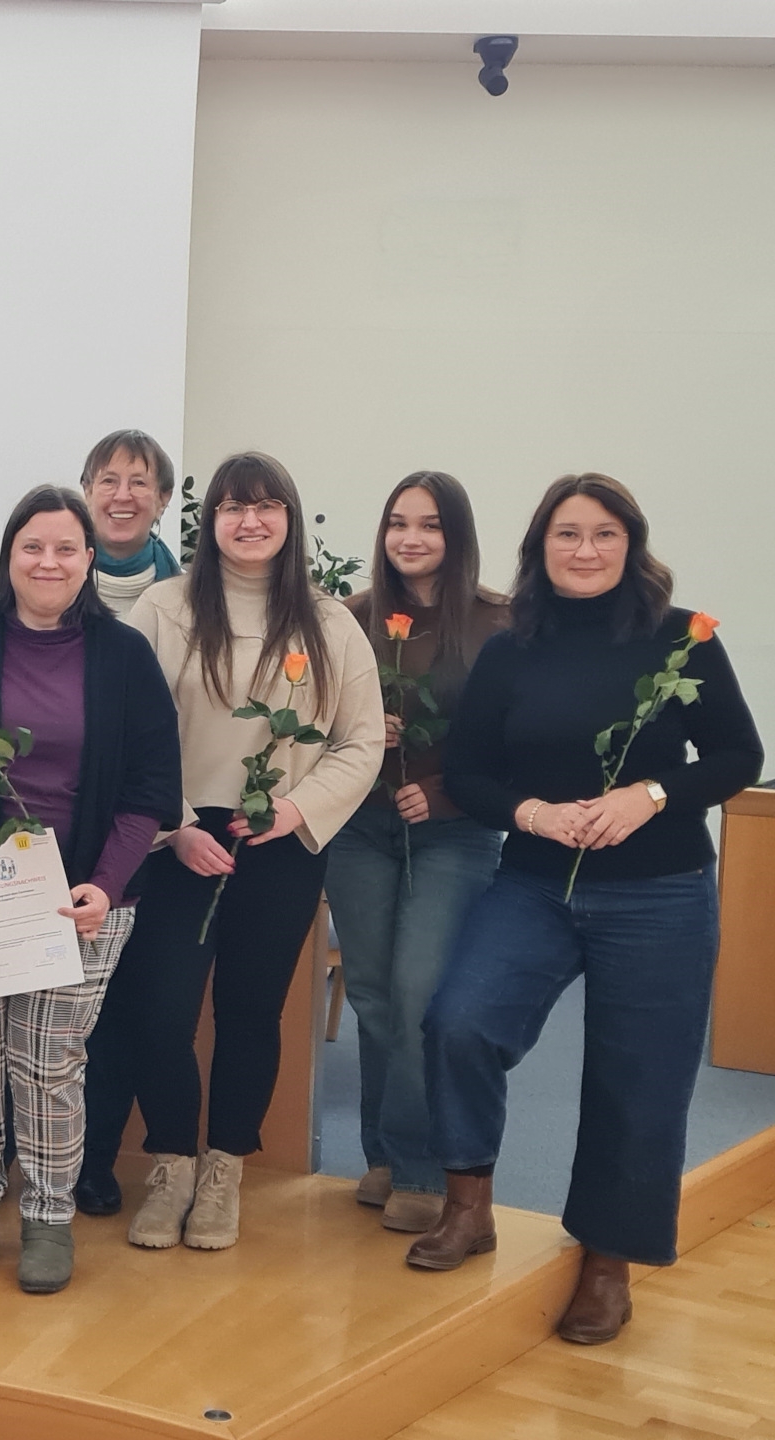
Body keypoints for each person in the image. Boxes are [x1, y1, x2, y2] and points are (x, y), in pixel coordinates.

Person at [411, 474, 760, 1346]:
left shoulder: (681, 642)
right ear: (540, 549)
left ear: (632, 547)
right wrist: (532, 813)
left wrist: (649, 793)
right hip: (535, 882)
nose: (586, 550)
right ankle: (470, 1205)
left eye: (605, 535)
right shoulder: (510, 648)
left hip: (661, 894)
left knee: (638, 1078)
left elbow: (738, 755)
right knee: (460, 1021)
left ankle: (608, 1261)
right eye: (568, 534)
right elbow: (473, 775)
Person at [80, 452, 382, 1251]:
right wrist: (176, 827)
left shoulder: (329, 623)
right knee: (163, 1011)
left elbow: (357, 746)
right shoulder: (165, 607)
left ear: (288, 517)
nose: (251, 521)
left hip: (280, 839)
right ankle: (172, 1159)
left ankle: (224, 1169)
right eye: (232, 507)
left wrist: (294, 808)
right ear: (207, 522)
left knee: (252, 1012)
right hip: (178, 840)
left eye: (267, 505)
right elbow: (126, 732)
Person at [0, 485, 180, 1295]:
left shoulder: (124, 658)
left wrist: (105, 885)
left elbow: (151, 790)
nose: (47, 562)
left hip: (76, 898)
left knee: (49, 1061)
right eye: (32, 547)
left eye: (65, 548)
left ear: (89, 560)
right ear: (9, 555)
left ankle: (50, 1215)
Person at [324, 474, 511, 1233]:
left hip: (453, 832)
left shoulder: (499, 623)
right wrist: (365, 735)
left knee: (419, 995)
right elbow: (316, 725)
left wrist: (445, 793)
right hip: (360, 828)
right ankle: (381, 1154)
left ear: (456, 535)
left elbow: (518, 742)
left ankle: (422, 1164)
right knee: (370, 994)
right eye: (398, 523)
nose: (411, 538)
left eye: (429, 525)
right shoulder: (350, 618)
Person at [80, 429, 181, 619]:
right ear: (88, 492)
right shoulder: (52, 587)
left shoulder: (191, 599)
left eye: (139, 483)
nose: (122, 496)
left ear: (163, 498)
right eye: (109, 481)